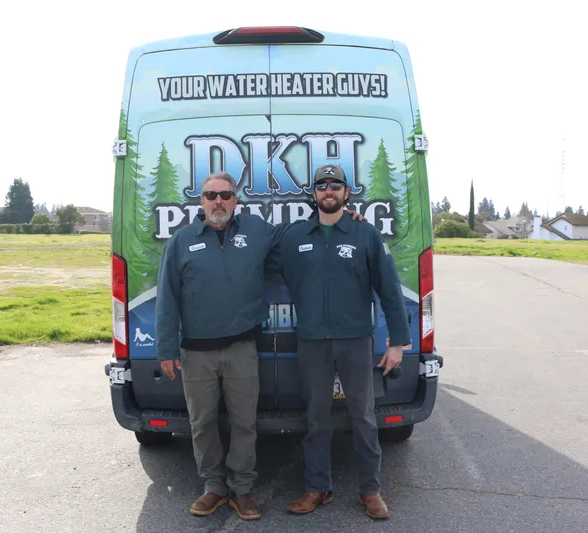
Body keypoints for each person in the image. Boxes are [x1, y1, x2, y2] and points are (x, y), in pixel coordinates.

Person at [155, 171, 362, 521]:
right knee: (202, 422)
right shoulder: (182, 241)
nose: (218, 201)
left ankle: (243, 490)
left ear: (236, 201)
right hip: (196, 353)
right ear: (200, 202)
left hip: (241, 349)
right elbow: (167, 298)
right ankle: (213, 488)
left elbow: (298, 235)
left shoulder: (256, 230)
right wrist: (165, 349)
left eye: (225, 195)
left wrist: (342, 217)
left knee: (244, 423)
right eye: (210, 196)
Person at [270, 164, 410, 520]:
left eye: (335, 185)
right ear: (313, 193)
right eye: (322, 185)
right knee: (316, 417)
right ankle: (318, 488)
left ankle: (370, 490)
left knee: (363, 416)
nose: (328, 191)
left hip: (354, 340)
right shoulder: (293, 236)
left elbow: (389, 290)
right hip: (312, 341)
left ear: (347, 193)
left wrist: (398, 340)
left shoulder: (366, 235)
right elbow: (254, 259)